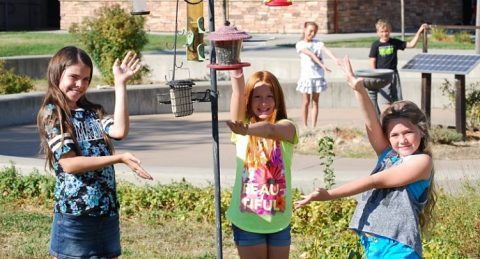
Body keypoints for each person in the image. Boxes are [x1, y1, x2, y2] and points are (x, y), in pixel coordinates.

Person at [295, 56, 437, 258]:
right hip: (374, 246)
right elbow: (372, 124)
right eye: (394, 135)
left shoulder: (422, 161)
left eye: (408, 132)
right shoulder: (389, 155)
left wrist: (329, 195)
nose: (402, 140)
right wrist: (359, 90)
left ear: (421, 132)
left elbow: (375, 181)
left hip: (399, 248)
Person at [36, 46, 153, 259]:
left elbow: (119, 130)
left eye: (86, 79)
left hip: (106, 212)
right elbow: (69, 164)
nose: (80, 85)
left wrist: (120, 84)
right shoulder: (52, 113)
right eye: (74, 77)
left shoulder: (93, 112)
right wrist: (119, 158)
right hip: (75, 215)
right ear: (57, 73)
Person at [226, 68, 298, 259]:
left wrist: (246, 130)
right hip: (247, 220)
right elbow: (237, 93)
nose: (264, 102)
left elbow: (270, 129)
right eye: (257, 96)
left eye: (269, 96)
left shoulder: (288, 127)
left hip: (279, 221)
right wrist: (236, 72)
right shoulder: (241, 126)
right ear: (248, 100)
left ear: (278, 99)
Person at [368, 19, 428, 115]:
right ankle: (385, 123)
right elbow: (372, 61)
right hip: (382, 76)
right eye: (382, 32)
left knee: (397, 102)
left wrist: (419, 31)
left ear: (390, 31)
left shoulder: (394, 42)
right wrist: (375, 76)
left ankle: (396, 121)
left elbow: (411, 45)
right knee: (386, 103)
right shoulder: (375, 45)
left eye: (386, 31)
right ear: (378, 33)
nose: (384, 34)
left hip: (394, 75)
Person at [296, 21, 340, 128]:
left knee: (315, 102)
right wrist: (323, 65)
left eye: (315, 32)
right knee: (306, 101)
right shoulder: (300, 44)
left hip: (318, 77)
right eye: (310, 31)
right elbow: (311, 54)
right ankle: (305, 126)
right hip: (307, 77)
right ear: (304, 29)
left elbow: (326, 50)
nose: (312, 34)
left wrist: (335, 59)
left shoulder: (317, 43)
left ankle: (314, 126)